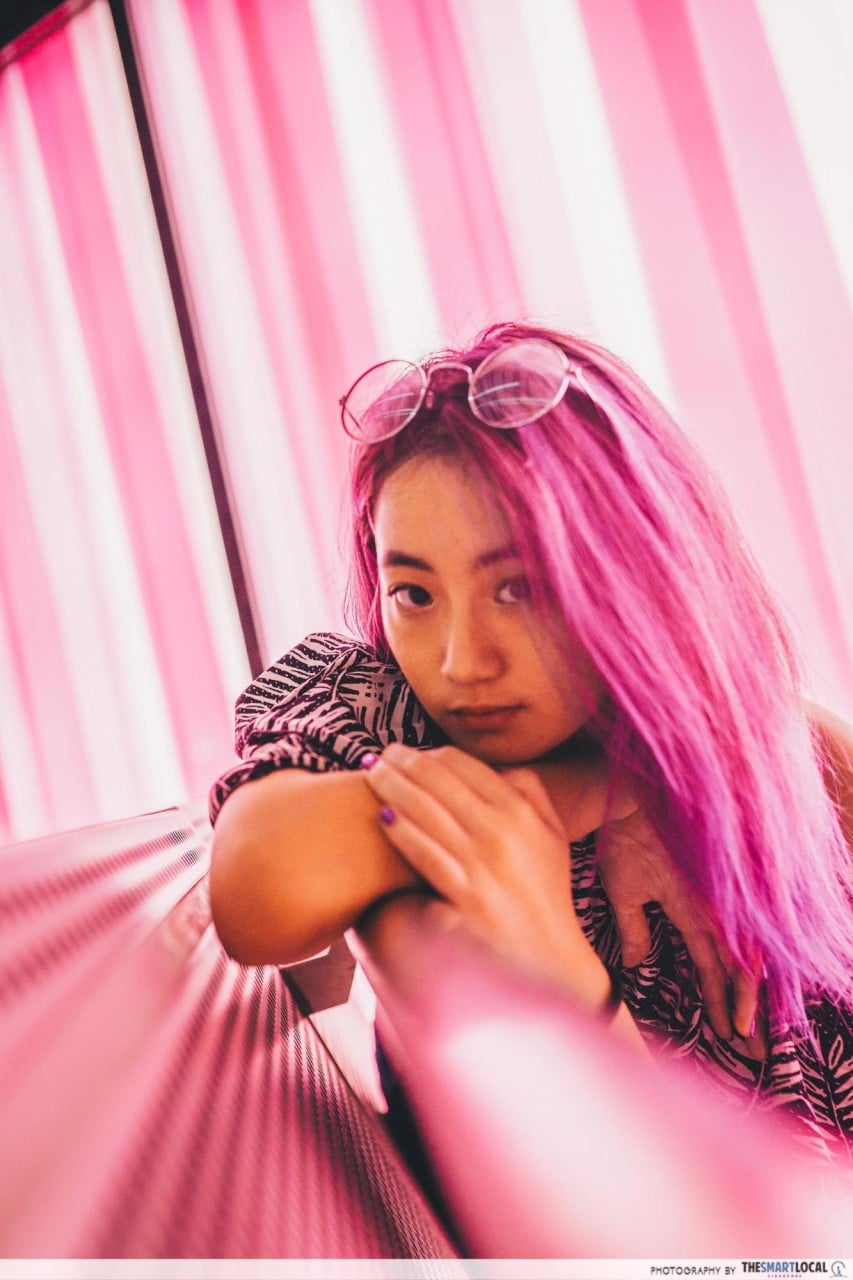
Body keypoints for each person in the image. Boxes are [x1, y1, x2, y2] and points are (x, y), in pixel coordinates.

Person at [209, 321, 853, 1162]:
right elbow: (259, 890)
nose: (460, 661)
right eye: (413, 594)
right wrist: (606, 791)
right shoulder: (375, 704)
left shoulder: (791, 757)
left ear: (641, 574)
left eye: (517, 588)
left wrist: (669, 775)